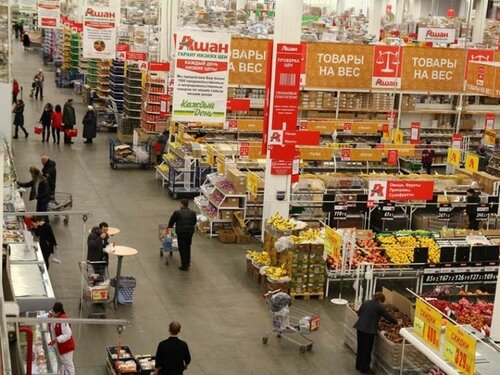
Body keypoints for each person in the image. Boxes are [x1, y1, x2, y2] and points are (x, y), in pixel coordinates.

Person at [353, 292, 398, 374]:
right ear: (380, 300)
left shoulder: (366, 302)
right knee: (367, 349)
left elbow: (359, 313)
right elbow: (387, 316)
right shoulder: (379, 306)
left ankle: (358, 365)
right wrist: (396, 322)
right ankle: (364, 368)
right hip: (369, 330)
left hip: (360, 327)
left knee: (360, 347)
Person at [167, 199, 197, 271]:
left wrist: (169, 227)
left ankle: (184, 265)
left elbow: (171, 221)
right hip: (190, 232)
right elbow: (194, 222)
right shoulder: (193, 212)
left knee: (182, 248)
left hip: (181, 232)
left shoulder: (177, 213)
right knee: (188, 246)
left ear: (182, 204)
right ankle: (188, 262)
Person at [48, 302, 76, 375]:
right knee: (61, 363)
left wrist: (56, 339)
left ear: (58, 313)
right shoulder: (55, 317)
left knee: (68, 365)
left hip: (66, 348)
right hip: (59, 347)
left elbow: (68, 334)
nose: (52, 312)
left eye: (54, 312)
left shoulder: (63, 320)